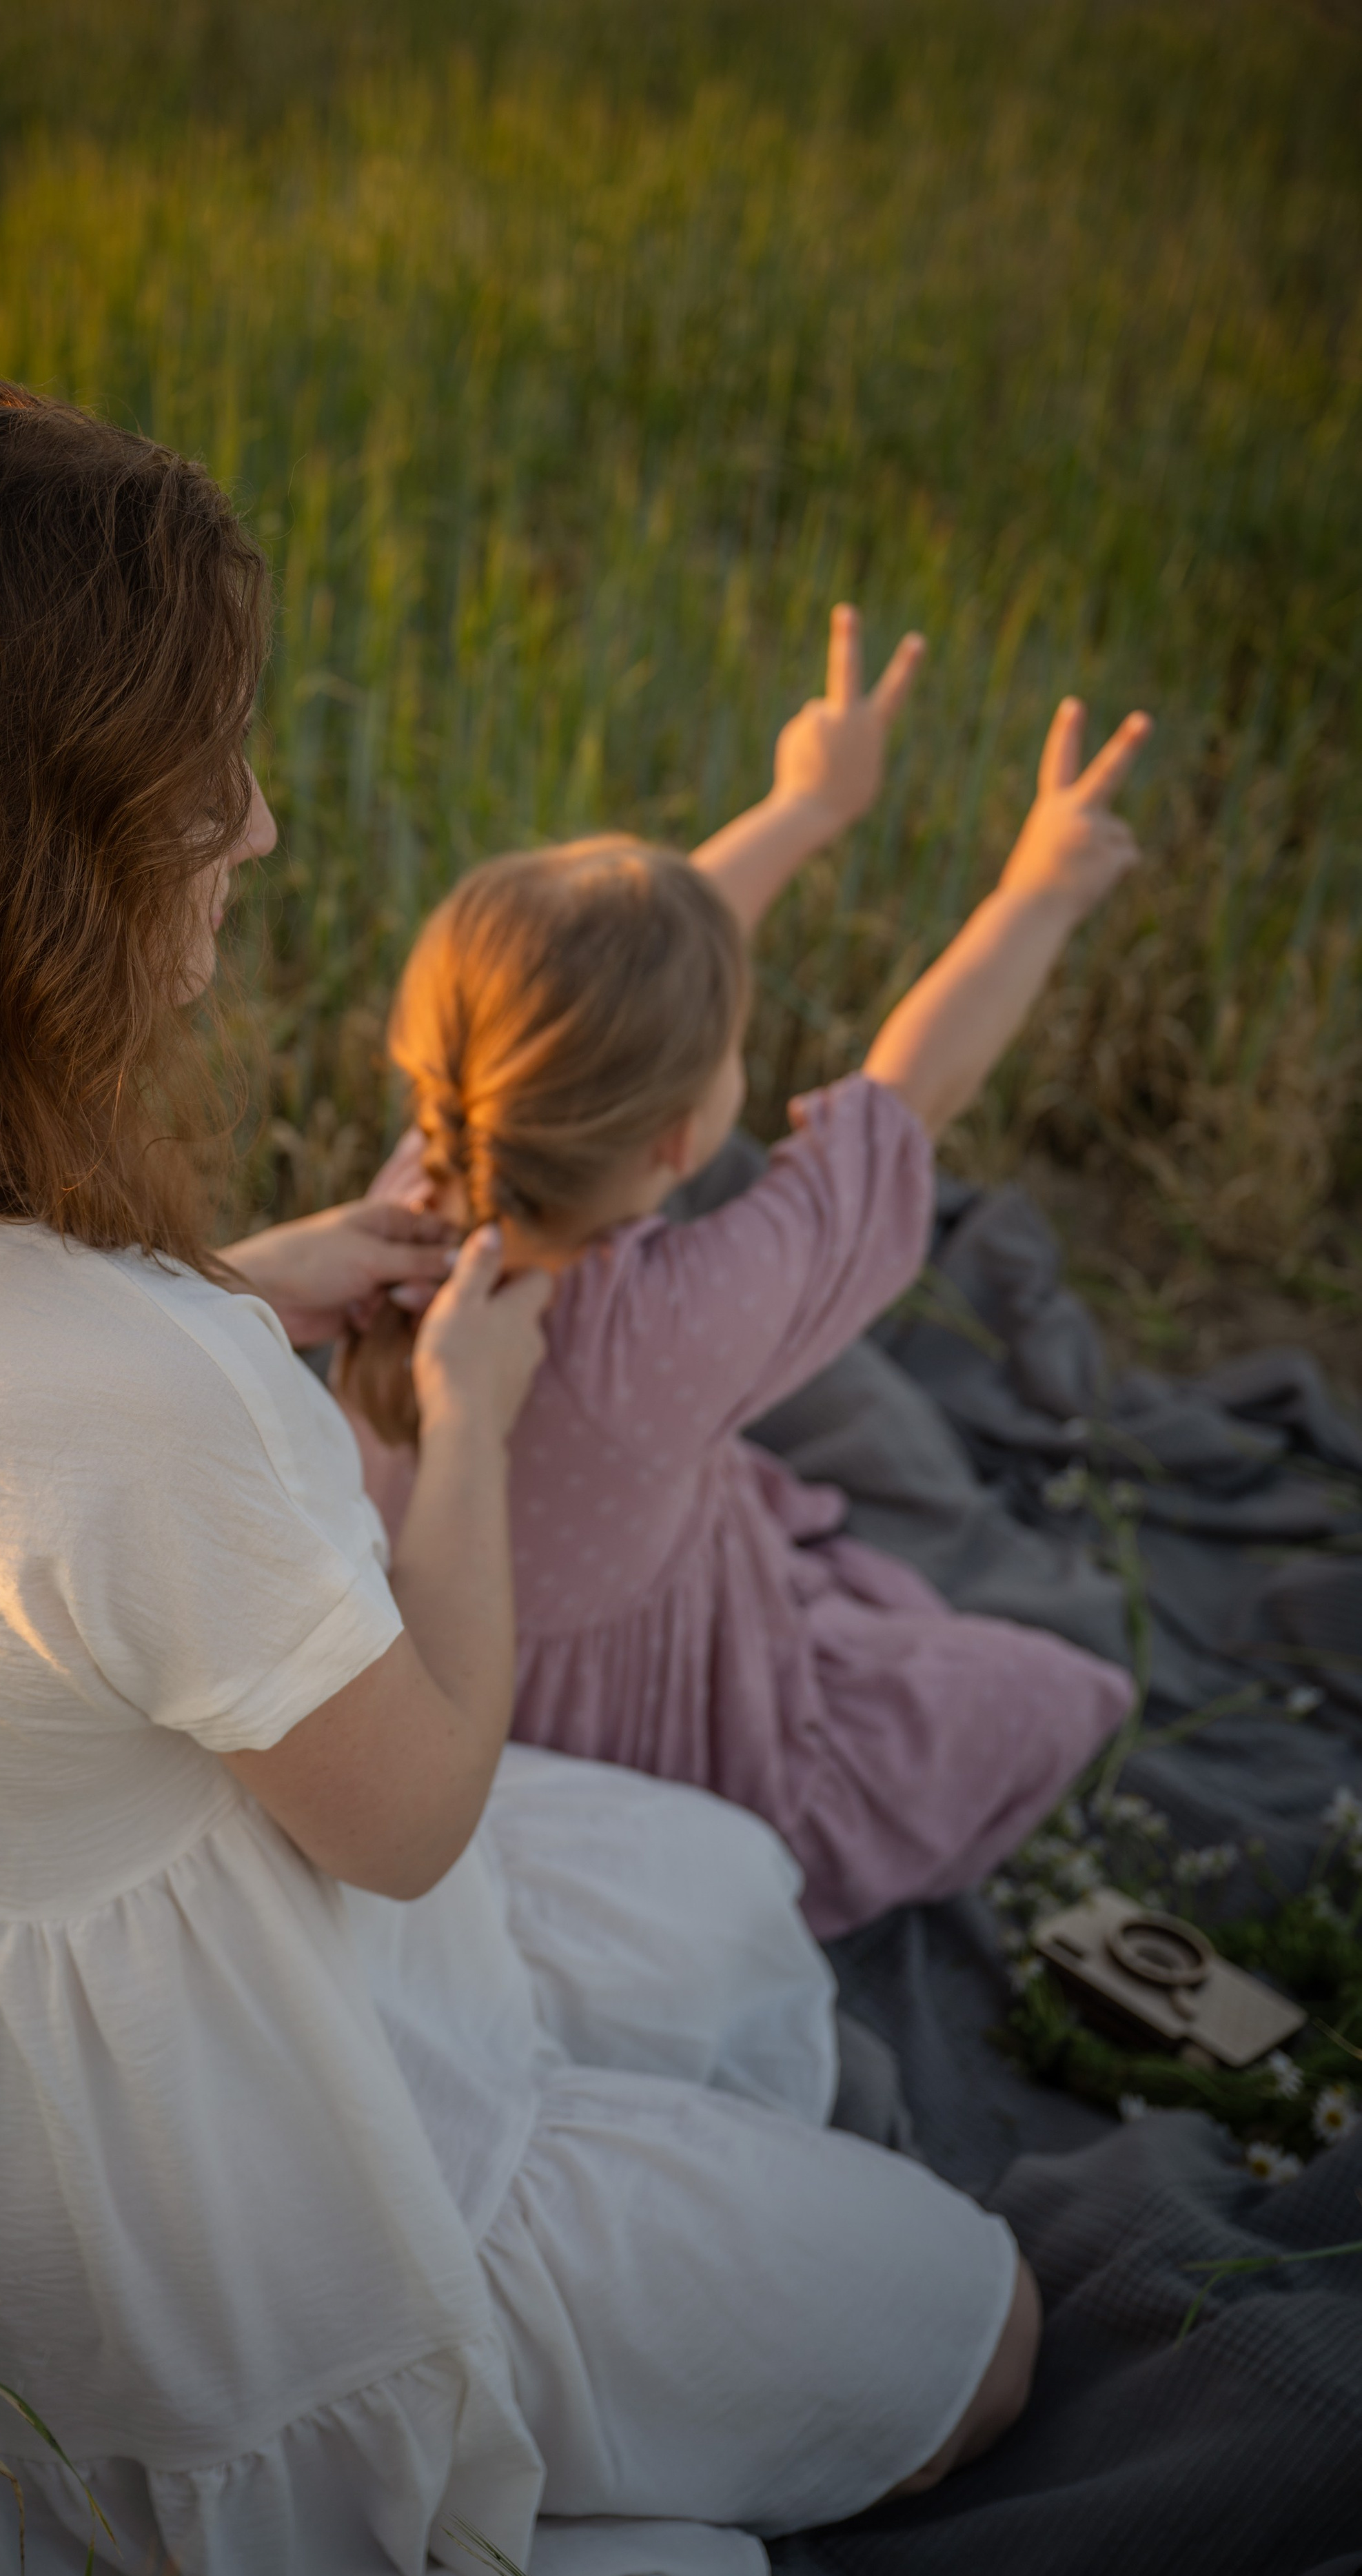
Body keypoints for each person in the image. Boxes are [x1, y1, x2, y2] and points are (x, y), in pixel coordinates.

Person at [0, 381, 1036, 2576]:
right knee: (983, 2333)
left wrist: (235, 1288)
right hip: (222, 2153)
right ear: (40, 865)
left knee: (733, 1905)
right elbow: (409, 1822)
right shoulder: (142, 1403)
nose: (258, 832)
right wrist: (463, 1433)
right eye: (205, 790)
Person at [340, 613, 1143, 1936]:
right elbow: (908, 1099)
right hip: (619, 1727)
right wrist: (1040, 890)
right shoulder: (675, 1328)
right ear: (679, 1139)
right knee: (1040, 1697)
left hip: (417, 1677)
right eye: (728, 1056)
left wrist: (805, 806)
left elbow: (609, 991)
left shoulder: (426, 1168)